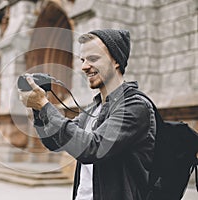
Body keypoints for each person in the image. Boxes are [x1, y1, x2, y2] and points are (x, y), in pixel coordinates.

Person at [18, 29, 156, 200]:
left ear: (116, 61)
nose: (83, 66)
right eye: (83, 60)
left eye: (93, 59)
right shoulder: (93, 108)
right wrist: (38, 109)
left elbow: (92, 149)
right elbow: (54, 142)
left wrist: (45, 106)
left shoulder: (135, 106)